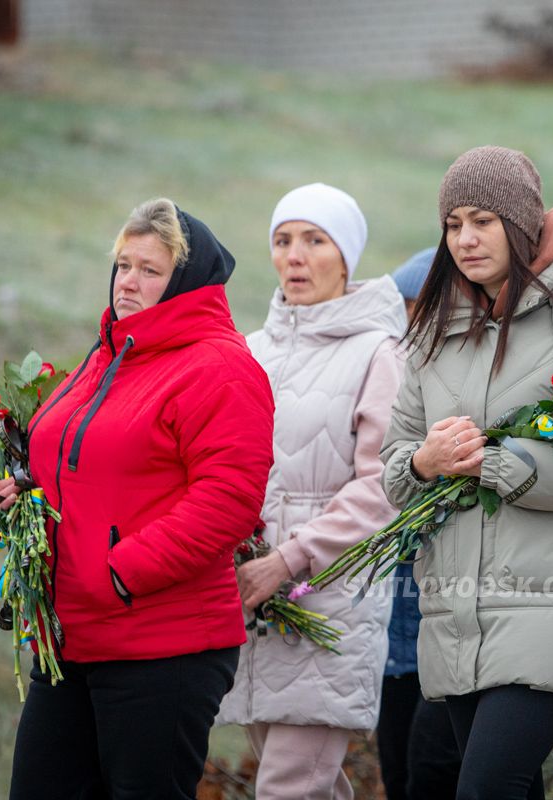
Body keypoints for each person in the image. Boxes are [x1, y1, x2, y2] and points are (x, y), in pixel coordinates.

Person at [0, 198, 274, 799]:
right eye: (123, 265)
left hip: (162, 648)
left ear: (186, 283)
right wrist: (12, 504)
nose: (129, 283)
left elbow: (228, 500)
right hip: (72, 641)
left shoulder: (219, 367)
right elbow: (64, 473)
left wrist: (118, 575)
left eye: (149, 270)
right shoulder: (106, 357)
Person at [380, 145, 553, 800]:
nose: (465, 239)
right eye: (452, 224)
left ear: (520, 223)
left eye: (482, 221)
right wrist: (423, 461)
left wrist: (493, 463)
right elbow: (393, 466)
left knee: (486, 789)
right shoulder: (434, 334)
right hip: (457, 611)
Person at [215, 183, 406, 799]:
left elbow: (384, 486)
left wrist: (289, 558)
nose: (294, 256)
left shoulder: (378, 353)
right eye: (283, 240)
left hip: (330, 600)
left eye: (314, 241)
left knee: (288, 787)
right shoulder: (248, 350)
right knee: (304, 786)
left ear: (345, 257)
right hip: (248, 597)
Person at [376, 246, 461, 800]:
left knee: (435, 773)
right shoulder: (390, 383)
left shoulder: (460, 389)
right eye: (405, 307)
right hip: (390, 636)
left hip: (448, 626)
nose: (413, 321)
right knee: (397, 774)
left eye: (425, 306)